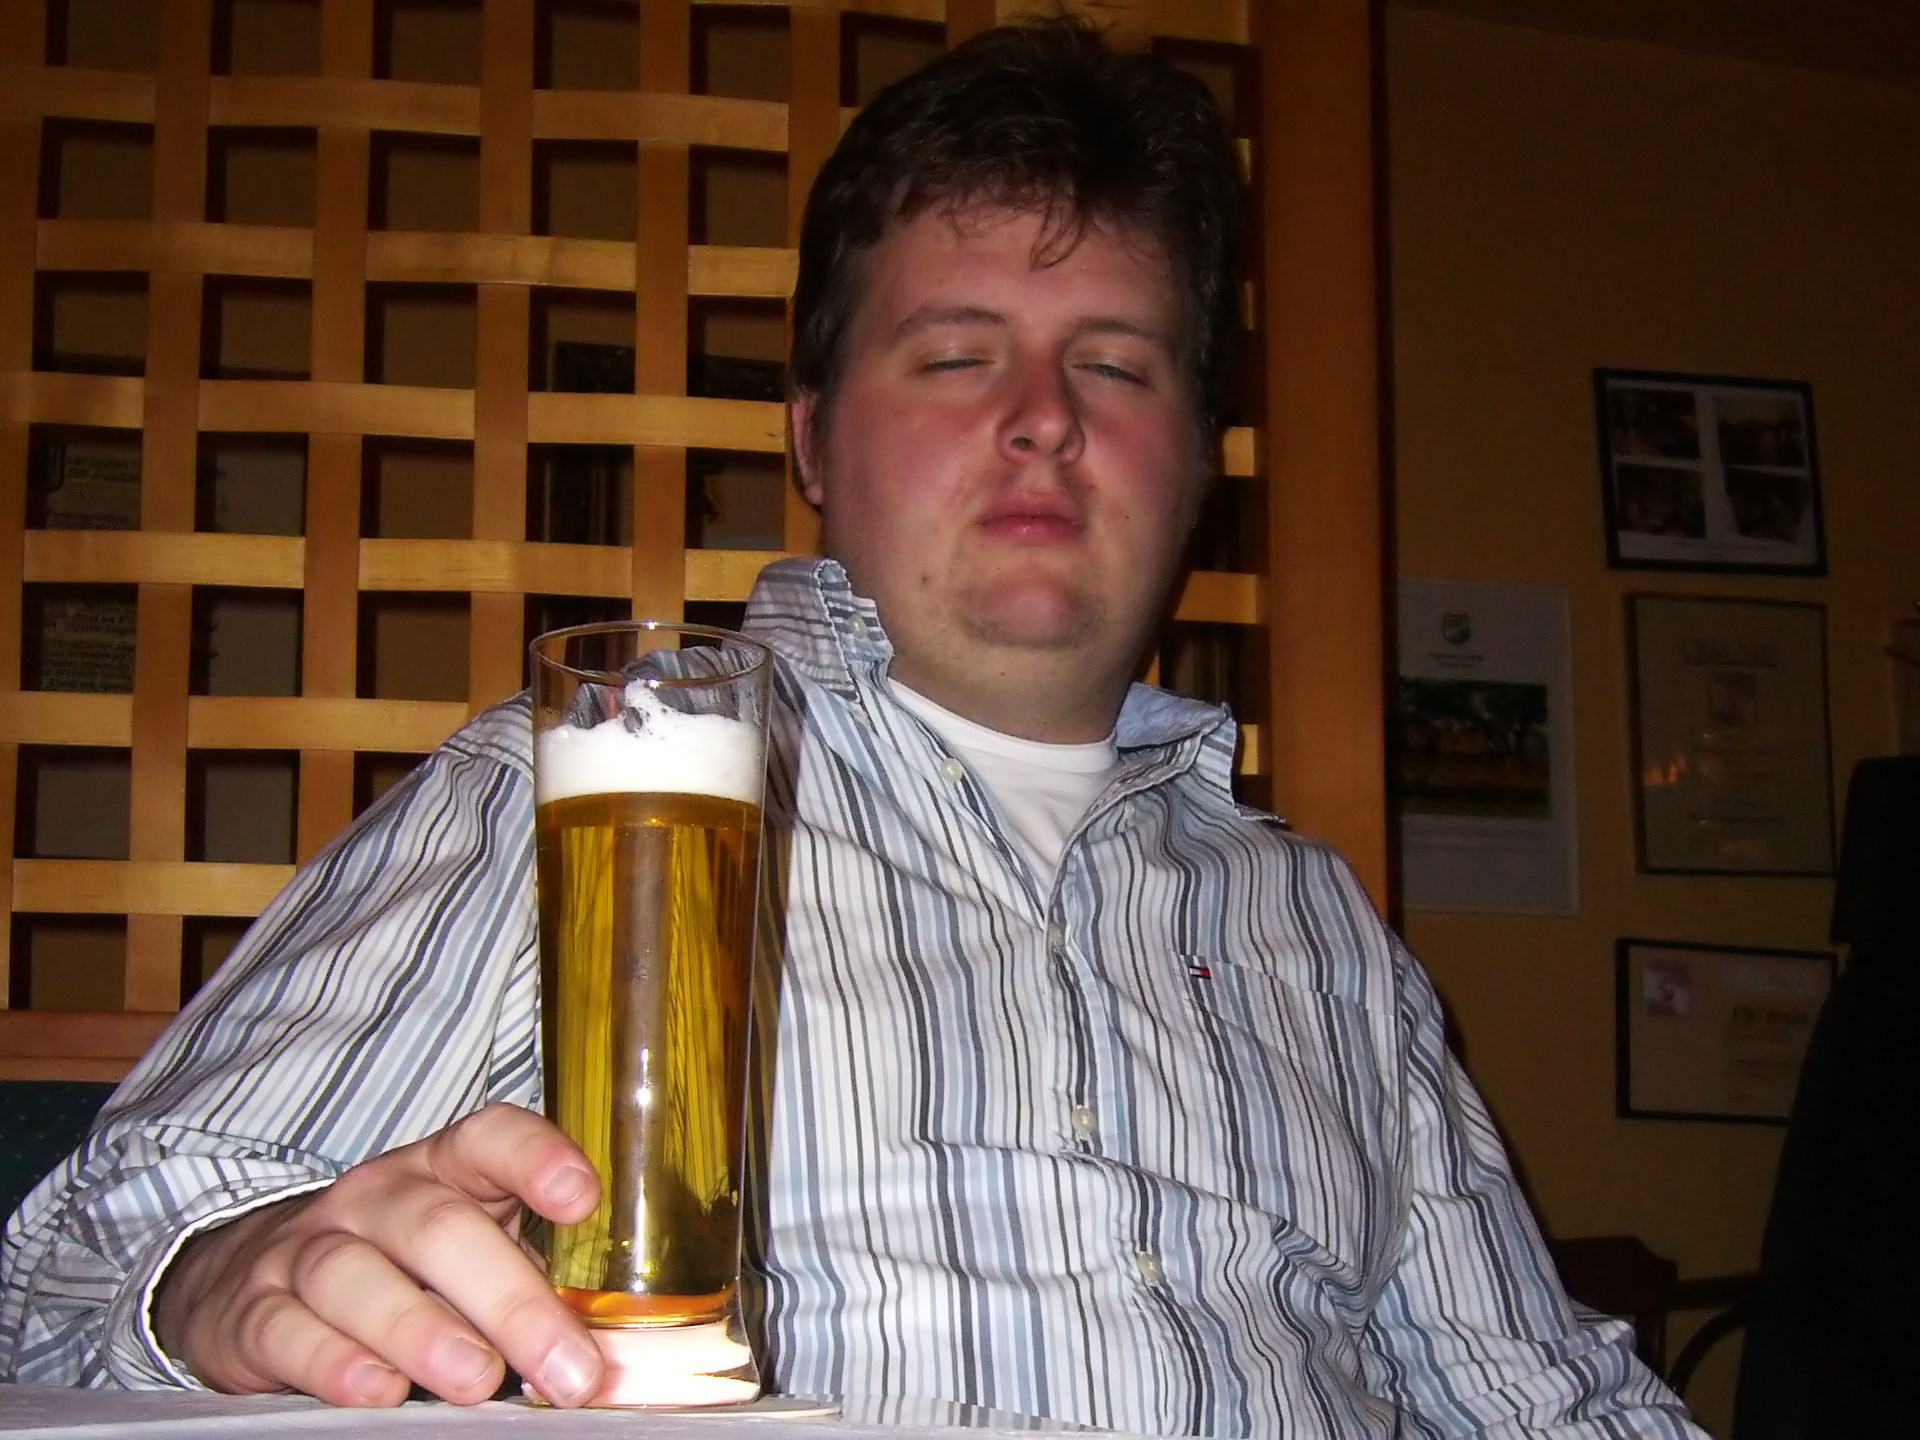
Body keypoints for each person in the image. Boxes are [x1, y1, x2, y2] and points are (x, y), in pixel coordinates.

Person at [3, 19, 1703, 1437]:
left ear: (1196, 463)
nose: (1042, 421)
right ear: (813, 439)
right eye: (957, 356)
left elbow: (1546, 1402)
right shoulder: (575, 790)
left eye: (1118, 367)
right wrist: (226, 1283)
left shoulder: (1322, 928)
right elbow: (69, 1286)